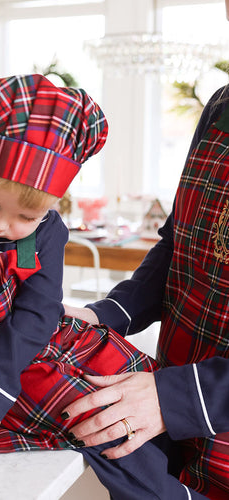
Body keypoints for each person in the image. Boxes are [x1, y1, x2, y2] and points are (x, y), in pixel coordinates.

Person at [0, 74, 205, 498]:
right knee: (100, 428)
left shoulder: (49, 233)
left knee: (124, 401)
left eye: (27, 218)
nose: (3, 225)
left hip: (38, 349)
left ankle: (181, 479)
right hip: (6, 370)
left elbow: (38, 312)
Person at [62, 4, 229, 498]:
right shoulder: (220, 107)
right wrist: (104, 315)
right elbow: (180, 244)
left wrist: (175, 397)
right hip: (170, 422)